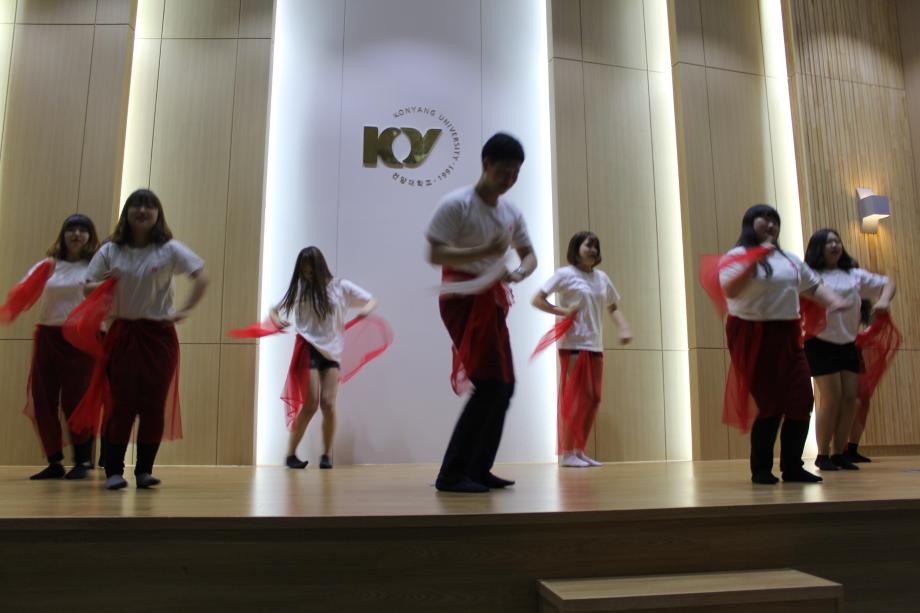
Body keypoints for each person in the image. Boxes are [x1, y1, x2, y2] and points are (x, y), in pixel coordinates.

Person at [426, 132, 536, 493]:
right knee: (490, 384)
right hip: (460, 298)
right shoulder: (456, 204)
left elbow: (529, 255)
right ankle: (452, 474)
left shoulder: (511, 211)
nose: (510, 180)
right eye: (504, 171)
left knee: (504, 386)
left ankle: (476, 468)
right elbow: (435, 253)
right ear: (486, 163)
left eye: (516, 173)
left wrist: (518, 272)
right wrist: (484, 252)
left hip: (492, 299)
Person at [78, 189, 209, 490]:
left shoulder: (169, 249)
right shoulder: (111, 250)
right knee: (121, 404)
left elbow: (201, 275)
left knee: (153, 404)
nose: (142, 211)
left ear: (158, 214)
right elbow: (86, 287)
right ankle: (114, 471)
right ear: (127, 213)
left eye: (149, 206)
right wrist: (108, 285)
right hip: (123, 334)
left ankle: (144, 471)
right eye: (136, 205)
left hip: (159, 336)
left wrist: (185, 310)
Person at [718, 205, 845, 485]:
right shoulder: (736, 256)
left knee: (802, 399)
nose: (772, 224)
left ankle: (793, 467)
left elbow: (813, 287)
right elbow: (730, 289)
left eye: (775, 220)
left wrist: (835, 301)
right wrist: (756, 257)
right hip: (752, 333)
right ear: (750, 223)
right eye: (765, 219)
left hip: (788, 334)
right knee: (770, 404)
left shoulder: (789, 259)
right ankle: (761, 469)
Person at [269, 246, 377, 469]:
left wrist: (366, 310)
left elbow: (371, 300)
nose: (306, 274)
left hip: (332, 352)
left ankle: (326, 455)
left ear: (318, 267)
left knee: (328, 404)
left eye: (309, 269)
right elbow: (274, 309)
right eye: (303, 271)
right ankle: (291, 454)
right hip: (308, 348)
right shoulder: (301, 290)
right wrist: (277, 321)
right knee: (310, 404)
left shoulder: (340, 286)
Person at [532, 231, 632, 467]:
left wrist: (624, 328)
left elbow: (613, 307)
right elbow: (537, 299)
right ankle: (568, 453)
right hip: (573, 344)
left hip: (595, 345)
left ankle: (578, 450)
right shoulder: (564, 274)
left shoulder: (602, 278)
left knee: (593, 398)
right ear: (576, 248)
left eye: (596, 246)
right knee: (580, 397)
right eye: (589, 245)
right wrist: (562, 311)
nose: (593, 250)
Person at [11, 215, 100, 480]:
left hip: (81, 338)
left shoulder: (96, 266)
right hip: (48, 336)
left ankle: (82, 461)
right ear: (63, 235)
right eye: (71, 229)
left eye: (83, 230)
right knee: (43, 398)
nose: (77, 234)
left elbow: (108, 298)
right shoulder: (49, 265)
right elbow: (23, 290)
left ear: (90, 236)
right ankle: (54, 462)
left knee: (77, 399)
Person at [802, 229, 894, 471]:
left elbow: (888, 283)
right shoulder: (810, 275)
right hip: (819, 343)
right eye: (828, 242)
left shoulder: (853, 275)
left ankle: (839, 453)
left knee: (850, 399)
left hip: (848, 344)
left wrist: (884, 300)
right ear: (818, 248)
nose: (834, 245)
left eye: (837, 241)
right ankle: (822, 454)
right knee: (831, 398)